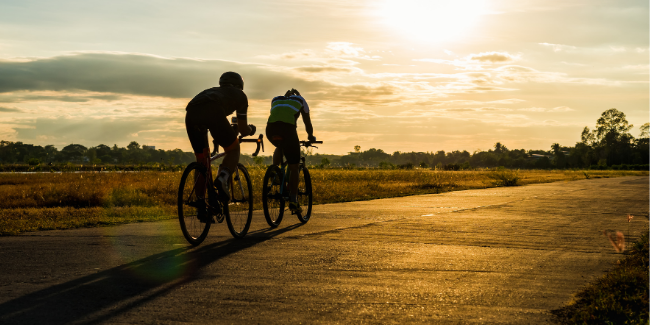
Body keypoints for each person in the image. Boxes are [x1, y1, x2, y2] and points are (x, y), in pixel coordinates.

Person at [185, 71, 255, 222]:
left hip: (191, 112)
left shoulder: (213, 91)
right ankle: (223, 178)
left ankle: (201, 204)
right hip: (213, 110)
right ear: (239, 86)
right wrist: (251, 130)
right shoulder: (240, 96)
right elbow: (243, 129)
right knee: (234, 149)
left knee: (202, 160)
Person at [265, 88, 316, 213]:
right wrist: (310, 137)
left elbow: (278, 114)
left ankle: (275, 171)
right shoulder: (301, 100)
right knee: (294, 167)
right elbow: (307, 122)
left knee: (280, 146)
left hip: (270, 129)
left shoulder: (276, 99)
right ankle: (293, 200)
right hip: (287, 130)